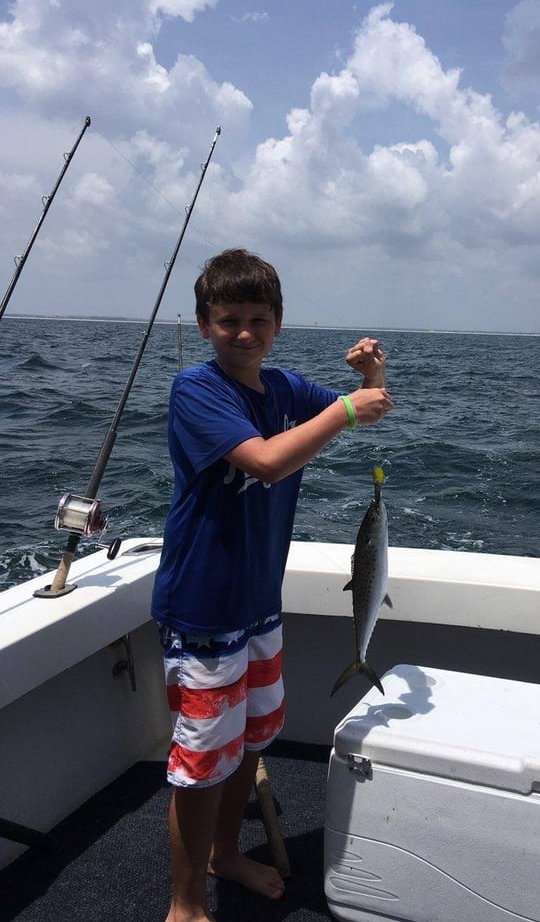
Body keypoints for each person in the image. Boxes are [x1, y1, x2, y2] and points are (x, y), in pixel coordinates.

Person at [151, 248, 393, 922]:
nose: (244, 333)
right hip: (203, 609)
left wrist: (371, 377)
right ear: (204, 324)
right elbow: (264, 462)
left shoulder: (283, 389)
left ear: (278, 324)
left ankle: (225, 853)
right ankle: (186, 902)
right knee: (200, 766)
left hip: (260, 607)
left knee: (249, 744)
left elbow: (364, 411)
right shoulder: (197, 391)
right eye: (229, 320)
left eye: (258, 320)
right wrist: (348, 406)